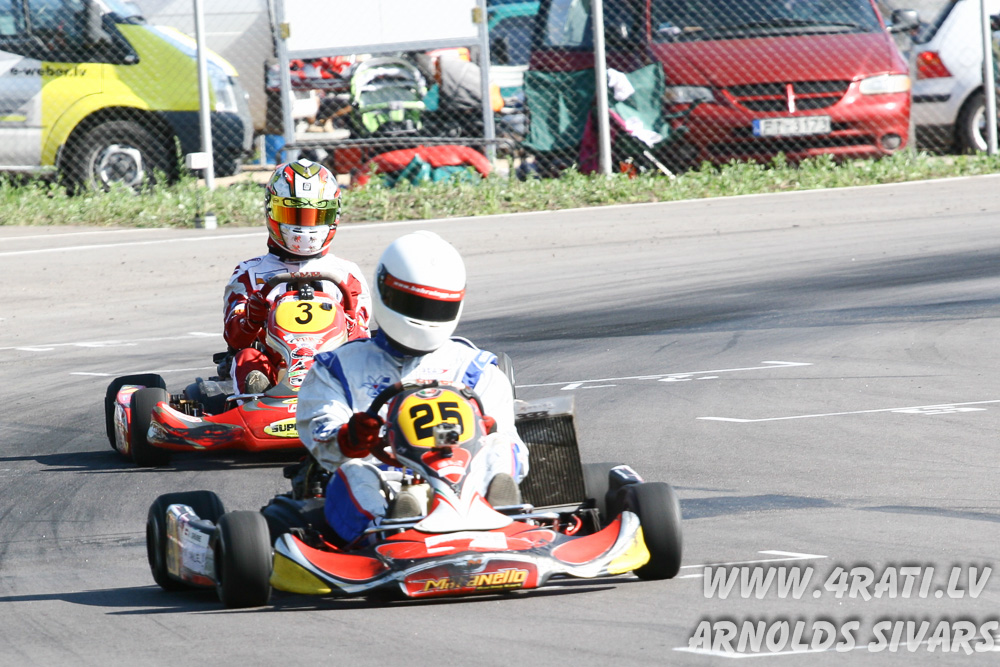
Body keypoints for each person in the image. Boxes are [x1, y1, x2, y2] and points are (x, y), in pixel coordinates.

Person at [296, 230, 529, 545]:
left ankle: (502, 510)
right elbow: (319, 434)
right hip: (386, 483)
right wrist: (349, 439)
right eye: (414, 305)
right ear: (385, 291)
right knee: (354, 471)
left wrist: (485, 432)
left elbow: (509, 442)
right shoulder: (339, 368)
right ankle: (389, 534)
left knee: (501, 445)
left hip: (467, 481)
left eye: (436, 309)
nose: (424, 319)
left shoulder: (475, 368)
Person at [223, 158, 372, 394]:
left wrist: (350, 322)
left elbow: (361, 340)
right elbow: (235, 340)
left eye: (315, 216)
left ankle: (354, 399)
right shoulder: (249, 273)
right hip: (275, 370)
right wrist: (251, 319)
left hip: (334, 369)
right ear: (271, 210)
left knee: (363, 358)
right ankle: (255, 403)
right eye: (293, 215)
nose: (305, 227)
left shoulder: (347, 274)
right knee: (247, 357)